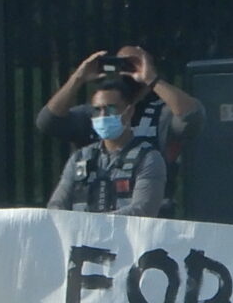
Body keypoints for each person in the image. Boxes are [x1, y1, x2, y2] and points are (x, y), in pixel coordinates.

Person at [37, 45, 201, 159]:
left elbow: (192, 116)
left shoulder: (161, 114)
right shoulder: (96, 113)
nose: (128, 72)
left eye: (135, 65)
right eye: (121, 64)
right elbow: (48, 122)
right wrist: (78, 78)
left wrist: (151, 79)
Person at [48, 75, 168, 216]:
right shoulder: (80, 158)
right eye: (97, 110)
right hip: (79, 235)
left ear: (129, 112)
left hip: (125, 236)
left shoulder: (148, 157)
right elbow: (56, 205)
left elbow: (143, 209)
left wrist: (97, 223)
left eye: (111, 109)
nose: (103, 115)